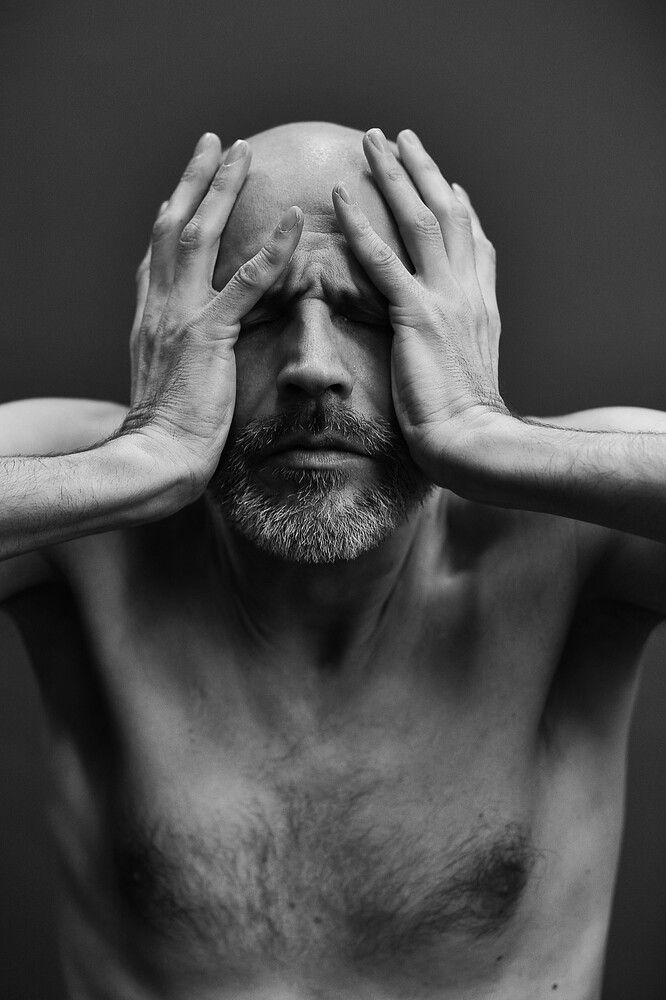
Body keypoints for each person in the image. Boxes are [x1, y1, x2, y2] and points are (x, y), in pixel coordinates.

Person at [1, 120, 664, 1000]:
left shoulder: (571, 534)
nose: (313, 367)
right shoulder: (88, 512)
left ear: (458, 322)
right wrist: (141, 456)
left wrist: (486, 435)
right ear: (173, 325)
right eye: (255, 311)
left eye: (368, 312)